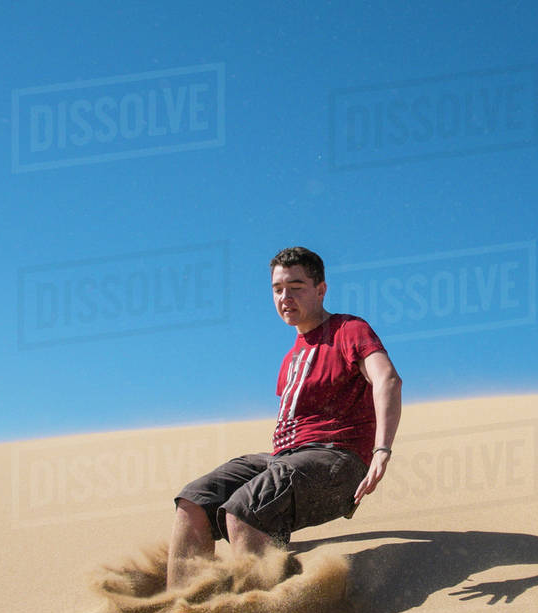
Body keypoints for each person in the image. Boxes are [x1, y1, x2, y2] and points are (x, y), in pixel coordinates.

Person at [167, 246, 402, 589]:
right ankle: (182, 609)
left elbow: (387, 379)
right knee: (196, 498)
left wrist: (382, 449)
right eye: (278, 289)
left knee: (245, 508)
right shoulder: (290, 359)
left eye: (296, 287)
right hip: (284, 460)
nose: (285, 297)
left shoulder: (348, 330)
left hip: (336, 459)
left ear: (321, 290)